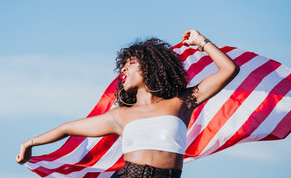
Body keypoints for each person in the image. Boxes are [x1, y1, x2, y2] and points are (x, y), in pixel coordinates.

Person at [16, 29, 239, 178]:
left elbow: (229, 69)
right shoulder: (120, 116)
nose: (123, 69)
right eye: (121, 66)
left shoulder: (182, 101)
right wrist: (29, 143)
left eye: (130, 63)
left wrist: (201, 42)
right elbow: (66, 128)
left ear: (151, 66)